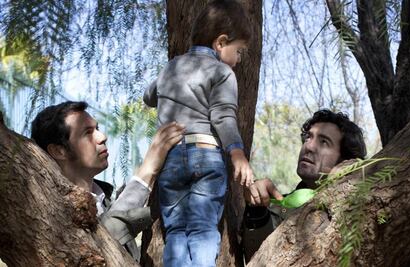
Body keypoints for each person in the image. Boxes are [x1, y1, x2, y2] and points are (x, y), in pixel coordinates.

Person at [143, 1, 254, 266]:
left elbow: (148, 96)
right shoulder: (222, 71)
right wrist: (237, 153)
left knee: (176, 232)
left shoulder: (172, 66)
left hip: (170, 160)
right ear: (221, 42)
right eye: (238, 51)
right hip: (205, 154)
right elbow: (223, 115)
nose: (238, 60)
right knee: (203, 229)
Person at [30, 101, 185, 262]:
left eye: (97, 128)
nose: (102, 137)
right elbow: (101, 243)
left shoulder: (108, 199)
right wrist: (148, 168)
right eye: (87, 133)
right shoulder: (52, 213)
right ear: (58, 151)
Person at [242, 109, 367, 262]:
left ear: (345, 160)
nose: (309, 147)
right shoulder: (279, 205)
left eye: (323, 142)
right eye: (308, 137)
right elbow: (256, 258)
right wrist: (257, 210)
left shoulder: (365, 209)